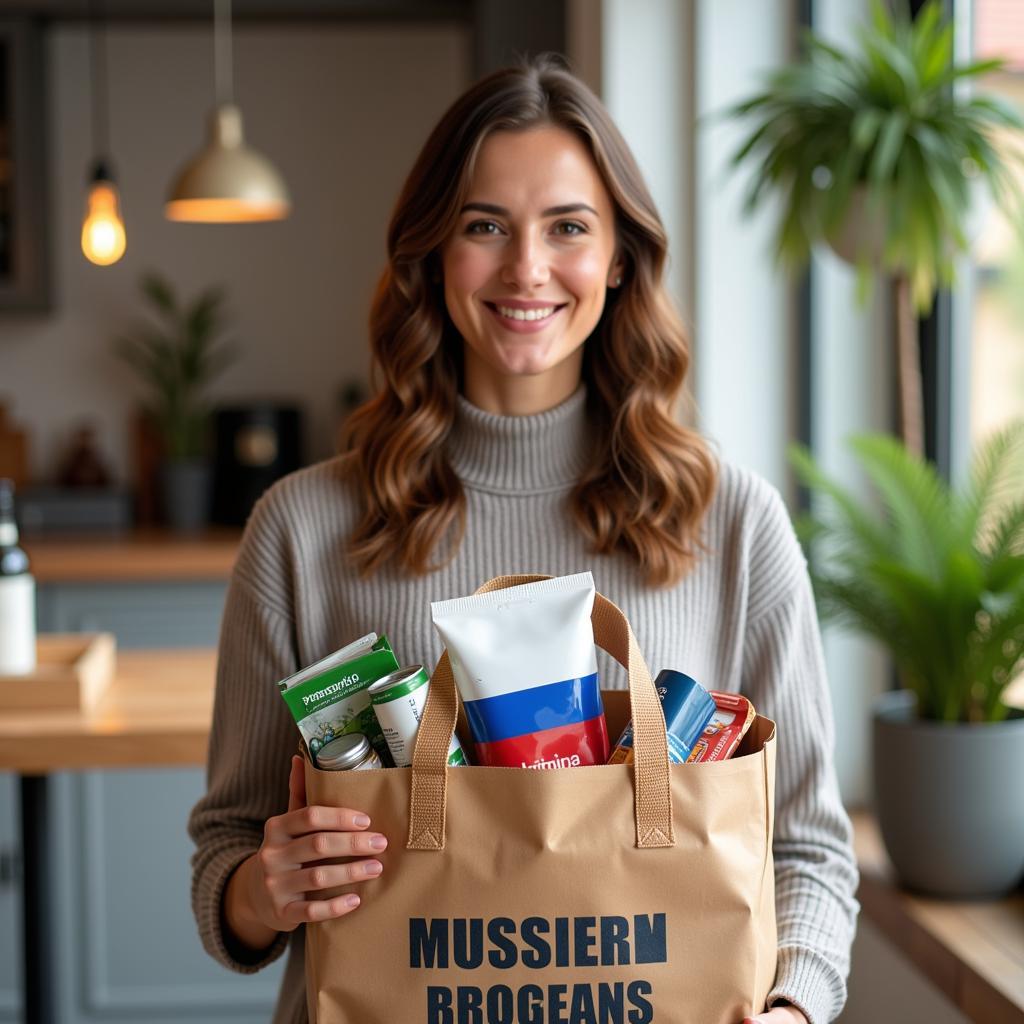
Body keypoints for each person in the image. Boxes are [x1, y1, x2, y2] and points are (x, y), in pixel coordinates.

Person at [188, 54, 859, 1024]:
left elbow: (805, 852)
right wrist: (260, 888)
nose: (526, 269)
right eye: (483, 226)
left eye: (568, 228)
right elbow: (226, 851)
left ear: (621, 256)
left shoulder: (733, 523)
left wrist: (793, 1009)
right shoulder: (302, 528)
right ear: (430, 252)